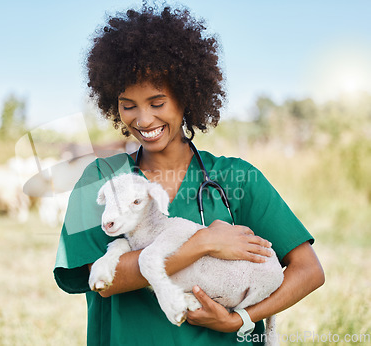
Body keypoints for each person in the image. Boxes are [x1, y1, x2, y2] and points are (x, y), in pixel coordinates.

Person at [54, 5, 324, 345]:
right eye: (128, 105)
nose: (143, 120)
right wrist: (203, 243)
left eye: (157, 102)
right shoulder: (101, 179)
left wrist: (240, 319)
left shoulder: (236, 178)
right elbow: (105, 280)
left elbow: (309, 270)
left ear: (186, 95)